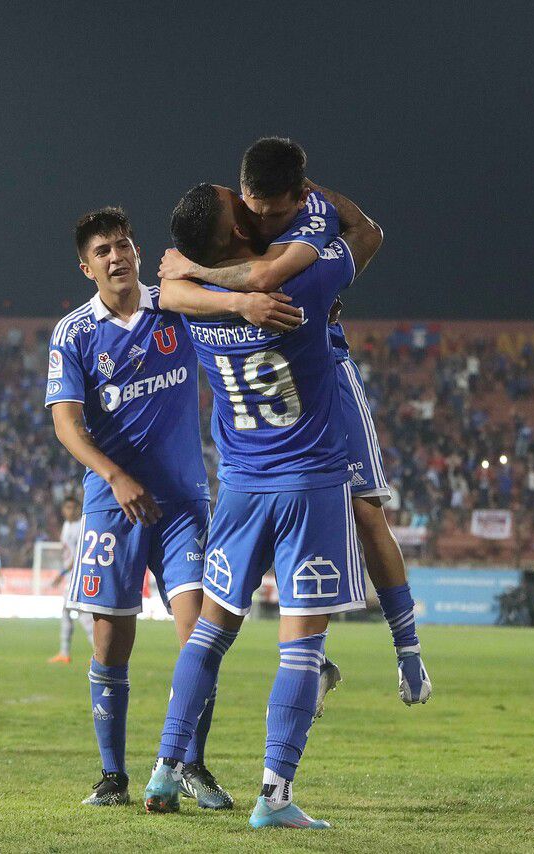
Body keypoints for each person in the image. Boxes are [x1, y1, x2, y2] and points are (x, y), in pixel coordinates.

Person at [144, 178, 382, 830]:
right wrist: (310, 191)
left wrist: (198, 273)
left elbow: (165, 288)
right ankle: (274, 796)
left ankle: (165, 768)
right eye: (238, 206)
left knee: (210, 636)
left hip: (241, 488)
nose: (250, 208)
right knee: (302, 649)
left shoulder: (195, 304)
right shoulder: (295, 290)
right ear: (234, 235)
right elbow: (366, 235)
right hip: (308, 488)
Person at [159, 137, 429, 707]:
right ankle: (311, 650)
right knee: (292, 501)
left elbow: (274, 274)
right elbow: (170, 290)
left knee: (361, 506)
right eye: (251, 207)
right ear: (239, 192)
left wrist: (210, 275)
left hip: (324, 365)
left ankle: (406, 648)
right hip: (274, 391)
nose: (258, 219)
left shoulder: (311, 215)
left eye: (271, 211)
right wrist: (228, 292)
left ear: (300, 195)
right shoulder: (219, 215)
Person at [46, 208, 289, 809]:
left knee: (199, 634)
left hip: (183, 503)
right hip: (112, 505)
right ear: (86, 266)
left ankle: (190, 763)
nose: (116, 256)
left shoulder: (173, 305)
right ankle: (113, 776)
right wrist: (114, 475)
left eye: (123, 244)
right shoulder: (73, 334)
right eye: (102, 250)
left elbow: (240, 296)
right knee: (109, 642)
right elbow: (66, 425)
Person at [49, 496, 94, 663]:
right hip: (71, 576)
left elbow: (79, 555)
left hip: (77, 575)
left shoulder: (81, 525)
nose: (70, 511)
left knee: (82, 614)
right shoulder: (67, 525)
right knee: (69, 611)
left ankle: (98, 653)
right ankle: (65, 652)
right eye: (67, 507)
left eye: (73, 507)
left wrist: (61, 574)